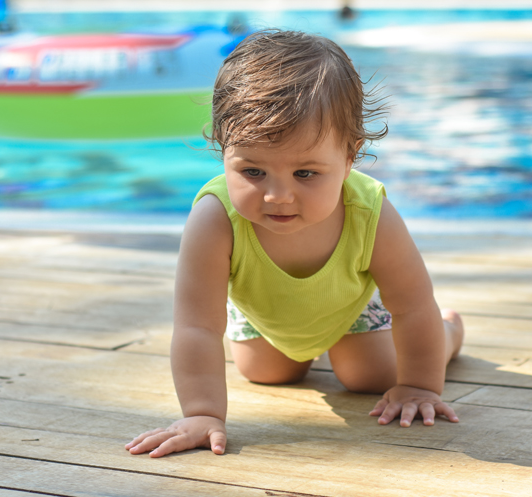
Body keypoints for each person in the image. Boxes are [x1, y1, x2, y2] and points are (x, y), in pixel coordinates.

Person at [125, 29, 465, 459]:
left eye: (305, 174)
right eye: (252, 171)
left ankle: (450, 330)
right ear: (222, 149)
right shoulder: (215, 219)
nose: (277, 196)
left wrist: (419, 385)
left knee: (371, 376)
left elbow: (413, 304)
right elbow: (197, 326)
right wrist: (202, 413)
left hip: (349, 306)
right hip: (266, 313)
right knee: (266, 373)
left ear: (349, 156)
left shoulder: (369, 213)